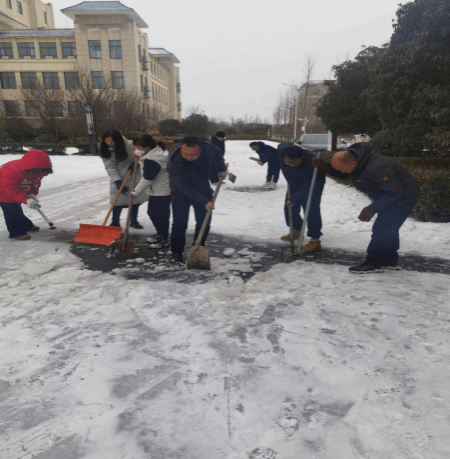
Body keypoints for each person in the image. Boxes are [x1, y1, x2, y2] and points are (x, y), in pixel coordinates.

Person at [312, 142, 420, 273]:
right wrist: (325, 167)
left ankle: (373, 263)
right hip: (389, 194)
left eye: (342, 168)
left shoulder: (377, 167)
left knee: (382, 228)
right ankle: (390, 261)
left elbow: (394, 192)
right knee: (389, 227)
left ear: (353, 163)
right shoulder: (358, 162)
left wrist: (371, 209)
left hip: (403, 197)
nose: (342, 171)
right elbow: (346, 173)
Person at [167, 136, 227, 263]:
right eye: (186, 154)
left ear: (200, 150)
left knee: (204, 220)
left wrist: (221, 170)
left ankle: (198, 246)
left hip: (202, 186)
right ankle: (177, 251)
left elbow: (217, 154)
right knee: (179, 222)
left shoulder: (210, 149)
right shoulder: (174, 161)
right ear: (181, 148)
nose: (189, 157)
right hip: (180, 191)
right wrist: (204, 200)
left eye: (193, 155)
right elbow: (183, 186)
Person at [279, 144, 325, 253]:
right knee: (289, 206)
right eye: (288, 163)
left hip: (312, 182)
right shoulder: (281, 151)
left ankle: (315, 239)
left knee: (310, 208)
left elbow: (308, 187)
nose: (291, 165)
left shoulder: (312, 161)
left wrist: (295, 198)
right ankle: (296, 231)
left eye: (294, 162)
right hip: (293, 181)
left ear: (302, 157)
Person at [0, 150, 53, 240]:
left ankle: (27, 225)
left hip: (14, 189)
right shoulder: (10, 170)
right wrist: (26, 200)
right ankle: (16, 233)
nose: (41, 176)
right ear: (33, 169)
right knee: (11, 210)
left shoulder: (36, 173)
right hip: (3, 190)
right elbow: (11, 189)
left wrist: (32, 194)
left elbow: (35, 184)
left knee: (16, 209)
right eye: (39, 174)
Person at [99, 130, 147, 228]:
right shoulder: (104, 148)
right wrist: (117, 181)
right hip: (119, 175)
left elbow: (143, 154)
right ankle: (115, 222)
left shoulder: (130, 145)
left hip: (134, 175)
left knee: (134, 200)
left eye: (112, 140)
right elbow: (110, 167)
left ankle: (133, 221)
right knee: (117, 200)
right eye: (107, 140)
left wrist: (136, 163)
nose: (109, 143)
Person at [131, 135, 171, 249]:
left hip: (162, 192)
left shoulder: (153, 160)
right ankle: (160, 234)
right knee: (153, 213)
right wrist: (138, 157)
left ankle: (163, 239)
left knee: (160, 216)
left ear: (147, 148)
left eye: (139, 148)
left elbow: (148, 178)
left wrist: (135, 192)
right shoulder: (155, 153)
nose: (137, 149)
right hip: (157, 191)